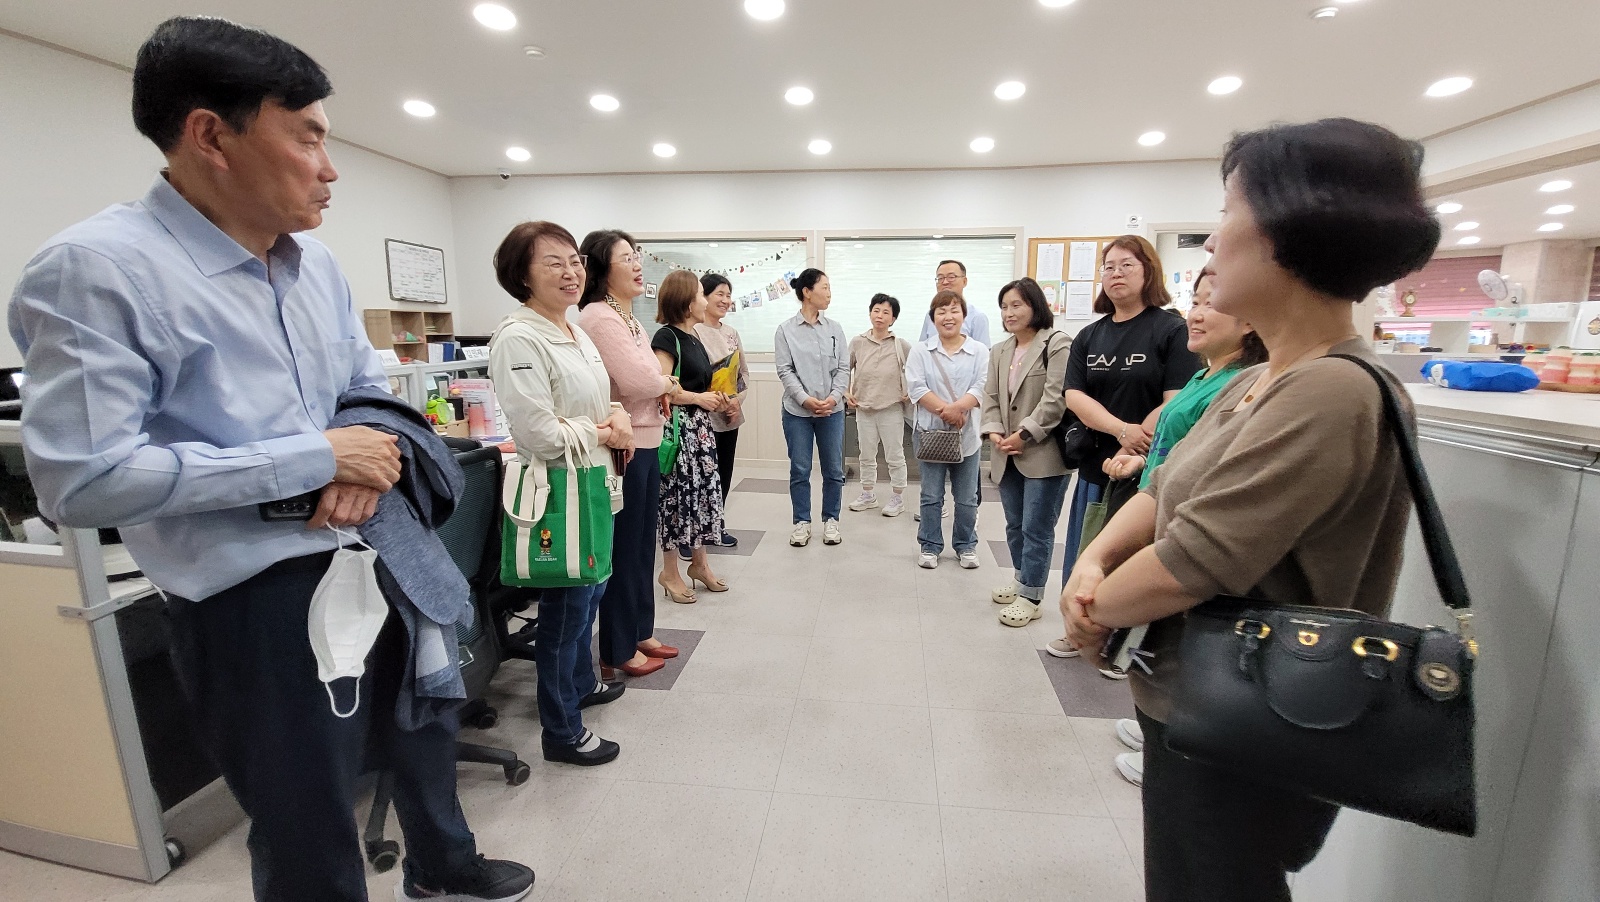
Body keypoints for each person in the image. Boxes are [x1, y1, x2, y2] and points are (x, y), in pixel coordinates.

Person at [6, 17, 532, 901]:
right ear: (212, 134)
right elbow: (80, 479)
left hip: (377, 546)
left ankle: (444, 867)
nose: (330, 167)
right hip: (253, 597)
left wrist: (357, 461)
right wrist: (308, 460)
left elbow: (367, 391)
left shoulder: (315, 266)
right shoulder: (97, 270)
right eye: (309, 137)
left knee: (426, 724)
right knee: (308, 823)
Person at [1060, 118, 1440, 901]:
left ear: (1288, 233)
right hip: (1190, 697)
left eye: (1227, 215)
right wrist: (1094, 561)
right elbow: (1165, 489)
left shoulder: (1333, 390)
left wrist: (1091, 610)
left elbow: (1197, 560)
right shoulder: (1251, 380)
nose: (1209, 245)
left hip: (1253, 715)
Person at [1082, 267, 1267, 782]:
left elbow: (1207, 520)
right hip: (1156, 504)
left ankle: (1169, 738)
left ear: (1252, 320)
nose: (1198, 313)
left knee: (1181, 632)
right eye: (1196, 301)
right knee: (1158, 641)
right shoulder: (1205, 374)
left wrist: (1096, 606)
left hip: (1181, 527)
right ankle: (1153, 726)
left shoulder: (1248, 385)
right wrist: (1140, 465)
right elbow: (1178, 453)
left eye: (1214, 302)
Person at [490, 221, 635, 766]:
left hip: (595, 481)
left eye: (574, 260)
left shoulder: (574, 331)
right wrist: (603, 431)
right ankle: (561, 730)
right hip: (557, 489)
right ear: (521, 274)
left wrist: (615, 419)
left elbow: (599, 401)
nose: (570, 271)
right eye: (553, 262)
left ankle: (581, 685)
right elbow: (538, 434)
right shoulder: (519, 337)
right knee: (565, 613)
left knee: (591, 594)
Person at [1058, 236, 1201, 592]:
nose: (1115, 273)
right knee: (1086, 548)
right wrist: (1121, 430)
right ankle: (1077, 626)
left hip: (1147, 468)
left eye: (1126, 265)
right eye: (1108, 267)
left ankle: (1118, 636)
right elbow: (1074, 395)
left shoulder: (1171, 330)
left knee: (1127, 561)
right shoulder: (1090, 335)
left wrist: (1132, 445)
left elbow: (1177, 401)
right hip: (1096, 465)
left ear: (1148, 272)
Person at [578, 230, 676, 679]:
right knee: (622, 548)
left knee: (641, 546)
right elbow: (640, 381)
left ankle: (640, 630)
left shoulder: (628, 317)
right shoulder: (599, 316)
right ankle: (616, 649)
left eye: (637, 256)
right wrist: (666, 383)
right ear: (602, 268)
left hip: (649, 439)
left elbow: (646, 374)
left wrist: (659, 381)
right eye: (626, 258)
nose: (638, 264)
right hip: (625, 446)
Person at [981, 278, 1071, 627]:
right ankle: (1021, 580)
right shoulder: (1000, 350)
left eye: (1017, 304)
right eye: (1004, 306)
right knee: (1015, 524)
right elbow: (990, 396)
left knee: (1037, 527)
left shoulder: (1057, 343)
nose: (1009, 312)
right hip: (1006, 451)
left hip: (1043, 452)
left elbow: (1057, 397)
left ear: (1035, 305)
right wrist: (993, 431)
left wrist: (1024, 434)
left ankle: (1032, 595)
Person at [652, 271, 730, 601]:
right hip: (679, 429)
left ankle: (699, 564)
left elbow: (698, 382)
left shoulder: (694, 337)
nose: (706, 300)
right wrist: (698, 398)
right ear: (687, 303)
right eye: (701, 294)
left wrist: (716, 396)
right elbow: (661, 386)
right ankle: (669, 572)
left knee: (699, 499)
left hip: (700, 430)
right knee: (677, 500)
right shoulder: (666, 338)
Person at [906, 290, 990, 569]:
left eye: (954, 310)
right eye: (941, 312)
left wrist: (956, 410)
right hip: (930, 434)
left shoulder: (979, 351)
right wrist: (948, 411)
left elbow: (981, 386)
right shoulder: (921, 350)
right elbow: (917, 388)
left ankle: (966, 545)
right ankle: (929, 546)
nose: (948, 316)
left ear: (964, 316)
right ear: (933, 319)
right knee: (931, 495)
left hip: (967, 436)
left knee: (967, 497)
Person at [774, 268, 849, 547]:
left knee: (833, 469)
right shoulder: (785, 330)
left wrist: (834, 397)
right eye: (825, 287)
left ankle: (831, 520)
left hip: (832, 411)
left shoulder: (835, 329)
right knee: (800, 468)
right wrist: (806, 399)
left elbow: (843, 368)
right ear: (807, 292)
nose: (829, 293)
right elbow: (785, 370)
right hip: (797, 412)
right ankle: (801, 522)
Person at [691, 272, 748, 547]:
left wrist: (736, 401)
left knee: (723, 474)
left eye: (728, 295)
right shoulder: (693, 331)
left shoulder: (732, 333)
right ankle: (691, 536)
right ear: (703, 296)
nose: (725, 300)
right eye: (719, 294)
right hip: (700, 419)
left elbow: (742, 376)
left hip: (729, 418)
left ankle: (716, 526)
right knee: (699, 477)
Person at [845, 293, 912, 517]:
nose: (880, 316)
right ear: (870, 313)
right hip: (863, 408)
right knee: (866, 454)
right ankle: (868, 494)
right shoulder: (857, 342)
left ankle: (897, 497)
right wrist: (846, 392)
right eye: (876, 310)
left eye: (886, 312)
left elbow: (916, 372)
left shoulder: (900, 345)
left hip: (891, 408)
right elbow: (845, 369)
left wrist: (909, 392)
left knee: (895, 455)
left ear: (893, 319)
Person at [916, 259, 992, 346]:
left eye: (951, 277)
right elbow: (922, 347)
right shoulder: (931, 315)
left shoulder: (977, 317)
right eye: (940, 278)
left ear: (964, 281)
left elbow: (983, 355)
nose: (945, 282)